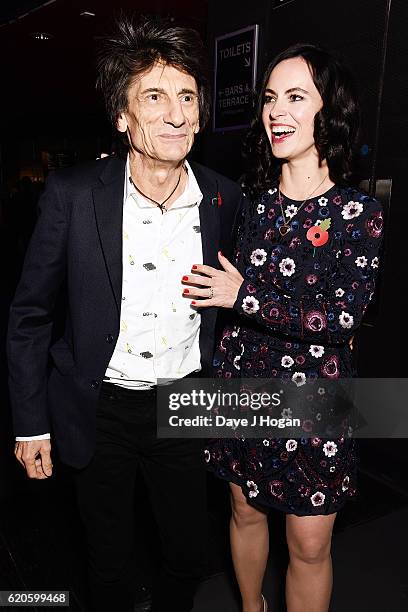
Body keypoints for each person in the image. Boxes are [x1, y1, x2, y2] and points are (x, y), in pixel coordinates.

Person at [7, 16, 243, 612]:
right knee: (106, 561)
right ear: (123, 117)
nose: (176, 113)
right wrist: (31, 422)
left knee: (190, 555)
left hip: (185, 402)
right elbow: (31, 313)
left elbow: (236, 315)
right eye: (155, 97)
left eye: (187, 97)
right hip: (99, 405)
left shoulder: (223, 198)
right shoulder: (73, 194)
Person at [181, 43, 384, 612]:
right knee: (244, 509)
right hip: (244, 383)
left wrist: (242, 296)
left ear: (330, 112)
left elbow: (342, 320)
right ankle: (251, 607)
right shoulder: (251, 205)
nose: (276, 111)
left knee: (309, 542)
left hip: (317, 394)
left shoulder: (358, 214)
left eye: (296, 96)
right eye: (271, 98)